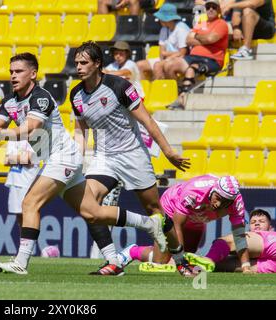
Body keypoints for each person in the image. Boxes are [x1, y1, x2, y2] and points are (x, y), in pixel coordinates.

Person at [0, 52, 168, 275]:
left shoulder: (40, 97)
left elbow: (30, 128)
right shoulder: (10, 102)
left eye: (19, 71)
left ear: (33, 74)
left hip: (63, 156)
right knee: (93, 213)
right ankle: (144, 230)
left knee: (30, 203)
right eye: (11, 71)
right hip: (54, 159)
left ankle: (21, 262)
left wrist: (1, 133)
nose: (13, 76)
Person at [71, 41, 196, 277]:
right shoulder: (76, 94)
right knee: (88, 208)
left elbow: (147, 122)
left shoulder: (120, 86)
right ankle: (113, 261)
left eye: (84, 62)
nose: (78, 67)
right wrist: (77, 159)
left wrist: (168, 152)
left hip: (132, 155)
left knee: (155, 211)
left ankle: (180, 260)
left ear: (97, 64)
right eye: (76, 62)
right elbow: (81, 131)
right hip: (104, 156)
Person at [117, 174, 253, 274]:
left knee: (188, 254)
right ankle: (133, 251)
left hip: (198, 217)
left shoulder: (237, 204)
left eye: (225, 203)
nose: (218, 205)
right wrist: (180, 262)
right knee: (163, 261)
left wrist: (246, 265)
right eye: (218, 198)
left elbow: (239, 236)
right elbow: (177, 226)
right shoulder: (194, 191)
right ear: (213, 191)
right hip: (171, 209)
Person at [164, 0, 229, 93]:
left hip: (212, 59)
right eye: (208, 7)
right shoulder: (201, 23)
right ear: (205, 9)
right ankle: (175, 93)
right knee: (168, 66)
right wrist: (205, 40)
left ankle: (182, 96)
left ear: (218, 10)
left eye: (214, 7)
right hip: (193, 57)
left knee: (191, 69)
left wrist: (196, 36)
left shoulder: (221, 24)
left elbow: (210, 39)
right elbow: (188, 40)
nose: (210, 9)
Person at [185, 209, 276, 273]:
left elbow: (230, 242)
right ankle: (186, 265)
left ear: (270, 227)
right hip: (270, 265)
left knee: (229, 241)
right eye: (253, 222)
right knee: (218, 265)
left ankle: (207, 259)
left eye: (261, 221)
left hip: (271, 242)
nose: (256, 223)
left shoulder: (268, 235)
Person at [136, 3, 190, 80]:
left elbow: (182, 53)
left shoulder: (181, 29)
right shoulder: (164, 29)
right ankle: (143, 90)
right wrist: (166, 57)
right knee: (139, 65)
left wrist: (166, 56)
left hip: (180, 60)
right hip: (168, 58)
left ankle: (159, 90)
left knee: (157, 65)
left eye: (161, 17)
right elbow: (162, 52)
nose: (159, 19)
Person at [4, 140, 41, 232]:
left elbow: (31, 159)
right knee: (19, 217)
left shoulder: (37, 135)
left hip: (29, 182)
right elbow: (6, 160)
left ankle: (31, 243)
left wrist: (14, 158)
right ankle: (24, 244)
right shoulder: (13, 137)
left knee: (30, 215)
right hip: (15, 180)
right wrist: (22, 158)